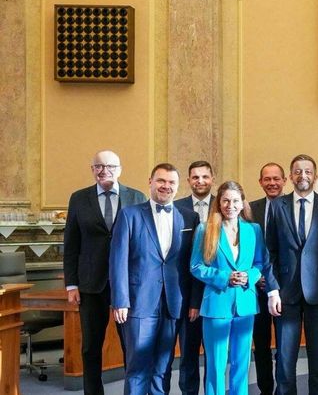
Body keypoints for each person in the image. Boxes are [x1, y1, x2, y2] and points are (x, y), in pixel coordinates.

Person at [109, 163, 200, 395]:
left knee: (163, 367)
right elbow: (118, 260)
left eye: (171, 182)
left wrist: (194, 302)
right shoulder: (129, 215)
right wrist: (120, 300)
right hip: (139, 302)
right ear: (150, 182)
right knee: (137, 367)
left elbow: (193, 263)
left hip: (174, 303)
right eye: (161, 181)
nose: (166, 186)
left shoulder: (189, 218)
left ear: (178, 186)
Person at [63, 150, 146, 395]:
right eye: (98, 166)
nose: (104, 171)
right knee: (90, 347)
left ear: (120, 169)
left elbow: (143, 243)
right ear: (92, 170)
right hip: (91, 284)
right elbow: (71, 244)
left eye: (110, 166)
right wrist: (71, 284)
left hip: (127, 285)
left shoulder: (136, 197)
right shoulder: (79, 198)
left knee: (131, 345)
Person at [190, 180, 278, 395]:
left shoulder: (253, 230)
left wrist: (249, 276)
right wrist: (225, 277)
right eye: (226, 201)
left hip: (245, 304)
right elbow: (196, 266)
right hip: (217, 304)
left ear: (242, 203)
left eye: (235, 201)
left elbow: (260, 263)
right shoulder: (205, 229)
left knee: (241, 365)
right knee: (216, 366)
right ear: (219, 203)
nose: (231, 205)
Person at [266, 154, 318, 395]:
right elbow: (270, 251)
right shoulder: (277, 205)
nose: (303, 175)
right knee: (285, 360)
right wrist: (272, 289)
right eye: (298, 171)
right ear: (290, 176)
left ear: (315, 176)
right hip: (285, 293)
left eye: (308, 171)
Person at [173, 160, 215, 395]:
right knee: (188, 353)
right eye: (195, 177)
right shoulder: (176, 207)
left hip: (216, 291)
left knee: (214, 356)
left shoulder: (225, 204)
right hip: (186, 292)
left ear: (212, 179)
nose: (200, 181)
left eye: (205, 176)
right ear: (188, 180)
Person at [250, 162, 286, 395]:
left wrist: (275, 282)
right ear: (260, 182)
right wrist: (257, 277)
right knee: (261, 345)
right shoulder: (249, 209)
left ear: (284, 181)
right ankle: (266, 390)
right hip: (255, 290)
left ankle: (283, 389)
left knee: (284, 346)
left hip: (284, 289)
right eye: (267, 179)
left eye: (276, 178)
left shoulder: (292, 207)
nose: (272, 183)